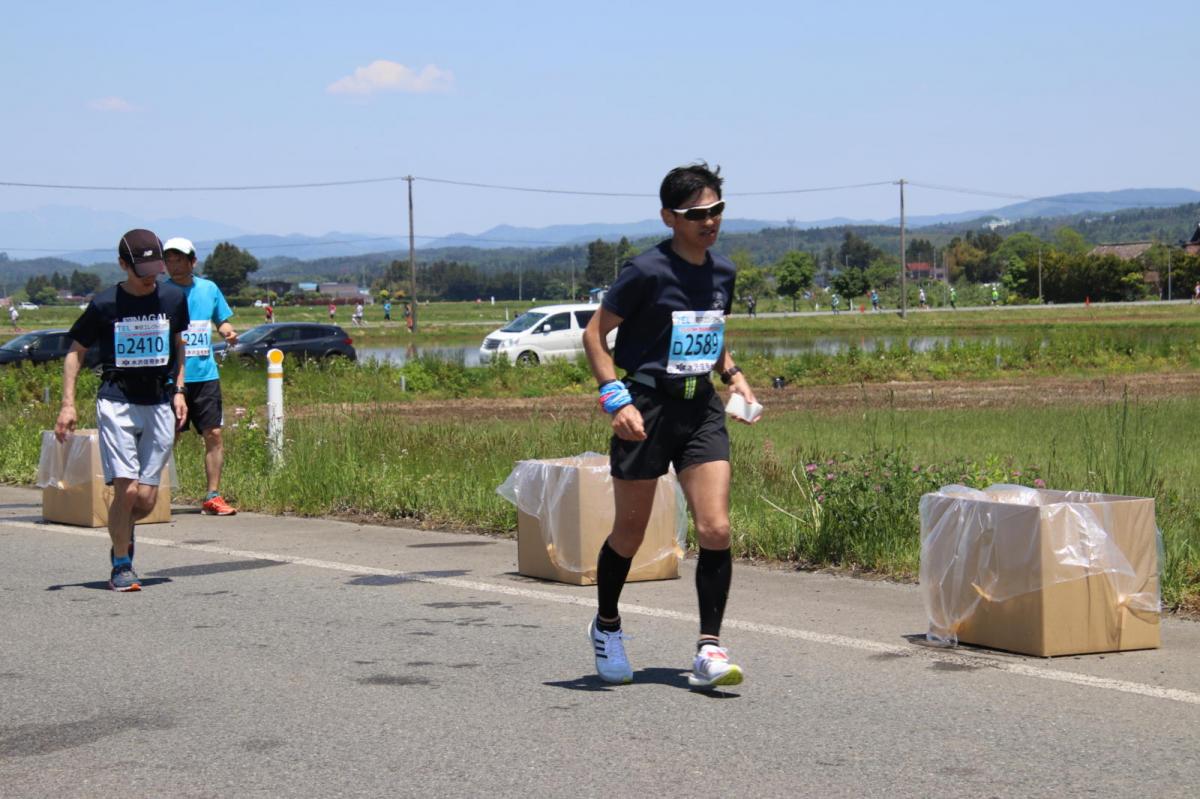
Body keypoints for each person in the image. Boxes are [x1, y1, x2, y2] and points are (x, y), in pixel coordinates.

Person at [581, 161, 759, 689]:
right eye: (697, 213)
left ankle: (709, 649)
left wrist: (733, 375)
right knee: (630, 534)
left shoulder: (723, 271)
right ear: (669, 217)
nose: (710, 221)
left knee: (716, 528)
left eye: (717, 210)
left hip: (699, 408)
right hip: (646, 407)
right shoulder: (646, 272)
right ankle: (607, 625)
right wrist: (616, 400)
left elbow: (712, 326)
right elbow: (595, 335)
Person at [55, 229, 190, 592]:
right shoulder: (104, 304)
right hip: (116, 400)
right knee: (127, 491)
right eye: (141, 269)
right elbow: (75, 350)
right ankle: (121, 563)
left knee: (145, 499)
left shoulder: (174, 298)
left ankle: (122, 530)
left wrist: (180, 390)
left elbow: (180, 346)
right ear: (122, 265)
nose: (151, 276)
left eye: (156, 267)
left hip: (160, 401)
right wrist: (68, 404)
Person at [163, 237, 239, 517]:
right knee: (168, 436)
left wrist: (228, 333)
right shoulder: (161, 292)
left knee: (214, 434)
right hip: (171, 377)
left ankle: (213, 495)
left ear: (192, 261)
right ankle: (154, 494)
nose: (173, 265)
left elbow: (222, 320)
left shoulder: (209, 289)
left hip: (205, 375)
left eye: (179, 259)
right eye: (168, 260)